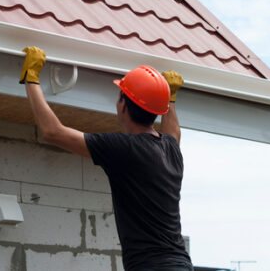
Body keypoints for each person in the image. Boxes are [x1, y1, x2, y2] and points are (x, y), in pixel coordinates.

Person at [20, 46, 193, 271]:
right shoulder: (171, 149)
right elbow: (173, 131)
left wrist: (31, 78)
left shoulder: (125, 149)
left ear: (123, 104)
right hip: (180, 264)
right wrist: (169, 97)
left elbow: (53, 132)